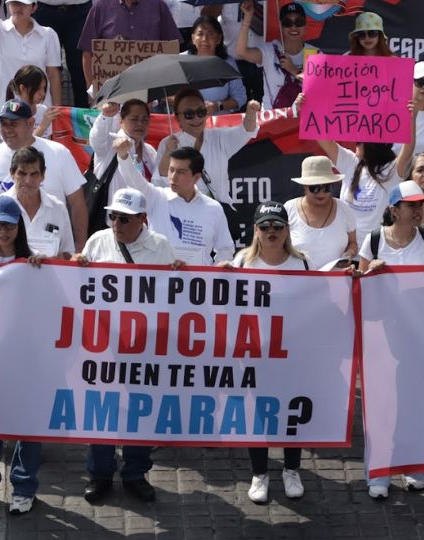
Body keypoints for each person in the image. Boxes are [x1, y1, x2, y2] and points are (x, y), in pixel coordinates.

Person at [73, 187, 182, 504]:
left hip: (143, 345)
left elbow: (173, 294)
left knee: (140, 411)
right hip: (103, 344)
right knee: (102, 411)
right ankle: (100, 474)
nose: (116, 224)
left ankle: (135, 473)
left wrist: (179, 274)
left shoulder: (160, 247)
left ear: (142, 220)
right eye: (113, 216)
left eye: (124, 218)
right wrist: (77, 264)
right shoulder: (98, 241)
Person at [358, 180, 424, 500]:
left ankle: (414, 464)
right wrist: (373, 272)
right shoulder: (372, 243)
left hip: (420, 336)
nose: (417, 211)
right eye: (411, 206)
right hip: (381, 336)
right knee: (382, 404)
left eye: (420, 205)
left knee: (415, 402)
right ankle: (379, 470)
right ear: (394, 210)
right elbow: (359, 291)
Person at [219, 201, 310, 503]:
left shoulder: (302, 263)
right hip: (254, 353)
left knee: (290, 412)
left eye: (278, 227)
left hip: (293, 353)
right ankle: (260, 473)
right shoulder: (243, 261)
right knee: (257, 414)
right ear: (255, 231)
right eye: (265, 227)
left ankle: (291, 469)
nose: (272, 232)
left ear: (287, 231)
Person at [305, 93, 416, 246]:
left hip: (378, 249)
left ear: (371, 145)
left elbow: (408, 149)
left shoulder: (392, 170)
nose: (355, 145)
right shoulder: (350, 162)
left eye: (359, 142)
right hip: (346, 248)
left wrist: (411, 118)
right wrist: (307, 106)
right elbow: (323, 139)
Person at [0, 195, 46, 515]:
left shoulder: (34, 264)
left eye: (8, 225)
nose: (2, 231)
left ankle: (24, 487)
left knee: (28, 425)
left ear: (19, 228)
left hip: (27, 359)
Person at [115, 140, 234, 265]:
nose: (173, 177)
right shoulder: (156, 197)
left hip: (198, 282)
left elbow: (225, 249)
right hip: (159, 281)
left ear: (197, 177)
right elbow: (134, 181)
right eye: (171, 170)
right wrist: (124, 157)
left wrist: (213, 275)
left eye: (181, 172)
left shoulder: (214, 208)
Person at [0, 100, 86, 249]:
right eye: (4, 124)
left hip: (50, 251)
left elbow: (77, 202)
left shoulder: (59, 153)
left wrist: (81, 245)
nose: (8, 130)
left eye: (14, 124)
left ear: (30, 123)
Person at [155, 87, 260, 207]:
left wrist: (251, 112)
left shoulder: (219, 137)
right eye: (189, 114)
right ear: (177, 118)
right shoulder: (168, 143)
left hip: (217, 214)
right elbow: (159, 183)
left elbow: (247, 130)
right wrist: (168, 152)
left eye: (201, 112)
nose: (196, 118)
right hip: (183, 216)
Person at [77, 0, 182, 93]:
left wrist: (166, 92)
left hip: (151, 95)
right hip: (110, 98)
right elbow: (88, 53)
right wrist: (94, 91)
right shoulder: (101, 7)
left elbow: (171, 50)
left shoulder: (158, 6)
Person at [236, 1, 317, 110]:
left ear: (305, 25)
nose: (293, 27)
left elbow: (320, 87)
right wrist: (248, 17)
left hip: (305, 119)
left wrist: (293, 69)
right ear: (281, 26)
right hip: (274, 120)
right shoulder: (270, 50)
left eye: (299, 22)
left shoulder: (314, 53)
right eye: (288, 23)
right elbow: (241, 52)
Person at [0, 146, 73, 258]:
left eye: (34, 174)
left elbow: (68, 254)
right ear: (12, 174)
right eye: (22, 174)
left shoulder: (58, 208)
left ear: (42, 176)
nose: (28, 181)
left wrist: (47, 261)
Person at [0, 0, 62, 127]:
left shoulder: (48, 34)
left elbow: (53, 75)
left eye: (24, 4)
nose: (18, 7)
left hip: (40, 112)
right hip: (4, 111)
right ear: (7, 5)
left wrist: (56, 109)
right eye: (14, 3)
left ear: (34, 7)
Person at [286, 155, 358, 270]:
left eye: (326, 187)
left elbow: (353, 242)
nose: (321, 193)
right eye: (314, 188)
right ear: (305, 187)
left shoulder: (344, 209)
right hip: (298, 282)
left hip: (335, 282)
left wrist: (349, 254)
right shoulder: (289, 209)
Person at [89, 100, 158, 210]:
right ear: (121, 121)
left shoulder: (150, 151)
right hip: (113, 220)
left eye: (144, 119)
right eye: (134, 119)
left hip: (144, 220)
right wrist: (105, 116)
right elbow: (97, 139)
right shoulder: (110, 144)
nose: (140, 124)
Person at [32, 0, 92, 108]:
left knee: (81, 68)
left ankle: (84, 119)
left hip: (81, 10)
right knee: (44, 68)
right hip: (43, 10)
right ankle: (43, 116)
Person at [185, 15, 247, 115]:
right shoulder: (180, 60)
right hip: (188, 122)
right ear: (193, 38)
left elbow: (240, 97)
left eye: (211, 34)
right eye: (200, 34)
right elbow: (166, 95)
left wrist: (218, 106)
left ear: (218, 39)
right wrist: (187, 104)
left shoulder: (228, 63)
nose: (205, 39)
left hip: (220, 124)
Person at [7, 65, 56, 138]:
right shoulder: (11, 112)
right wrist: (42, 127)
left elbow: (49, 143)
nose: (43, 93)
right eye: (38, 89)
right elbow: (20, 146)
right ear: (22, 88)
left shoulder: (43, 110)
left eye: (44, 88)